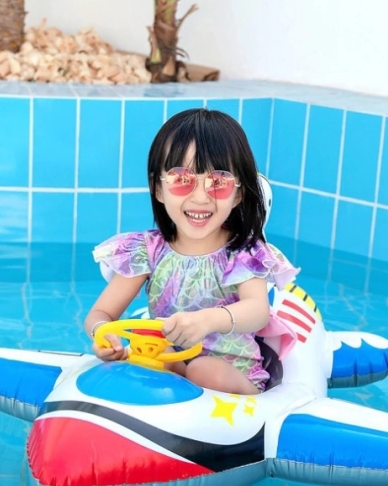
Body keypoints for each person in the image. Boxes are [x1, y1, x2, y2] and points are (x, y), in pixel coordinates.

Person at [84, 108, 298, 395]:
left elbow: (258, 311)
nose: (200, 197)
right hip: (172, 362)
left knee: (203, 370)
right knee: (152, 356)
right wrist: (103, 334)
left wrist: (207, 320)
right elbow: (101, 312)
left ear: (238, 193)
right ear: (158, 188)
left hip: (231, 372)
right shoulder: (147, 251)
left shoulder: (243, 252)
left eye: (218, 182)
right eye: (181, 179)